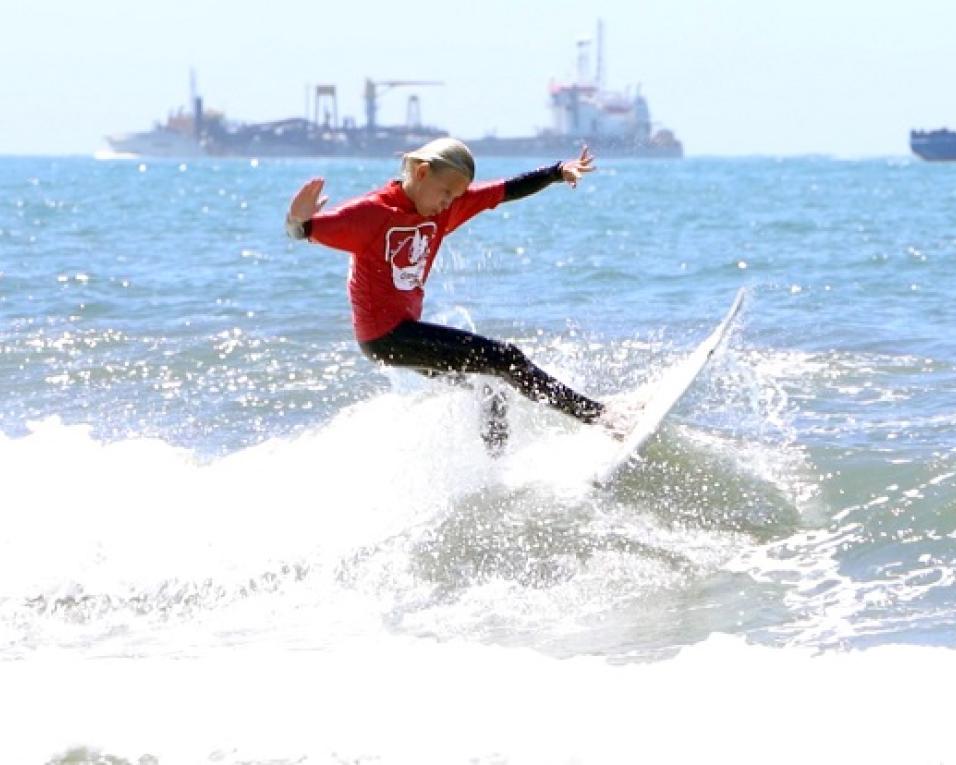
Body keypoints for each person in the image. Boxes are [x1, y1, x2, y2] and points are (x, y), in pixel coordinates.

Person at [285, 138, 618, 435]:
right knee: (504, 357)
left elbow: (505, 191)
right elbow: (303, 231)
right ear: (422, 173)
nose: (448, 203)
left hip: (404, 329)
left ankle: (493, 471)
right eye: (446, 193)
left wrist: (557, 171)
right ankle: (602, 417)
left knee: (490, 384)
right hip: (384, 336)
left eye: (455, 196)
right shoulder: (371, 214)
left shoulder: (445, 209)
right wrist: (296, 219)